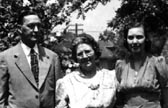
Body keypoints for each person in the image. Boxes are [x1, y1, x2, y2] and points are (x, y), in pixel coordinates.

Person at [0, 8, 62, 108]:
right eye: (31, 26)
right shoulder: (5, 58)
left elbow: (60, 96)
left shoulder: (52, 57)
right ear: (19, 29)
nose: (36, 30)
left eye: (39, 26)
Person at [56, 33, 118, 108]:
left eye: (88, 51)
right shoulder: (66, 82)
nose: (84, 56)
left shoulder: (110, 77)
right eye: (80, 54)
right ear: (76, 57)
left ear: (95, 52)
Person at [114, 21, 168, 108]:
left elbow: (166, 91)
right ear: (126, 40)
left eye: (139, 37)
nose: (134, 41)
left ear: (146, 39)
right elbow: (119, 97)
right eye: (130, 38)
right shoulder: (121, 65)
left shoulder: (157, 63)